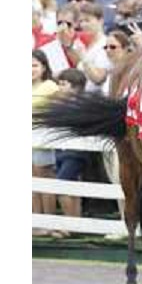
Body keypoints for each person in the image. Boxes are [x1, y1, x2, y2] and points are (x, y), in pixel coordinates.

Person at [53, 68, 89, 237]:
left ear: (76, 87)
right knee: (71, 187)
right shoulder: (60, 104)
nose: (60, 87)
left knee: (61, 185)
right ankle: (75, 225)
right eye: (59, 83)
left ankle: (70, 225)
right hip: (61, 150)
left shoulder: (82, 105)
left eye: (64, 84)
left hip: (76, 152)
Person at [32, 50, 59, 236]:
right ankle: (36, 223)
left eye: (34, 65)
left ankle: (49, 223)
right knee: (31, 185)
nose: (30, 69)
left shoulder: (50, 86)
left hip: (42, 141)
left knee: (45, 183)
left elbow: (62, 107)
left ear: (43, 67)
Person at [72, 2, 112, 94]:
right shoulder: (85, 45)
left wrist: (83, 57)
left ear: (100, 20)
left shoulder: (106, 44)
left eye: (87, 20)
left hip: (95, 99)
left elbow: (98, 78)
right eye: (81, 21)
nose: (83, 25)